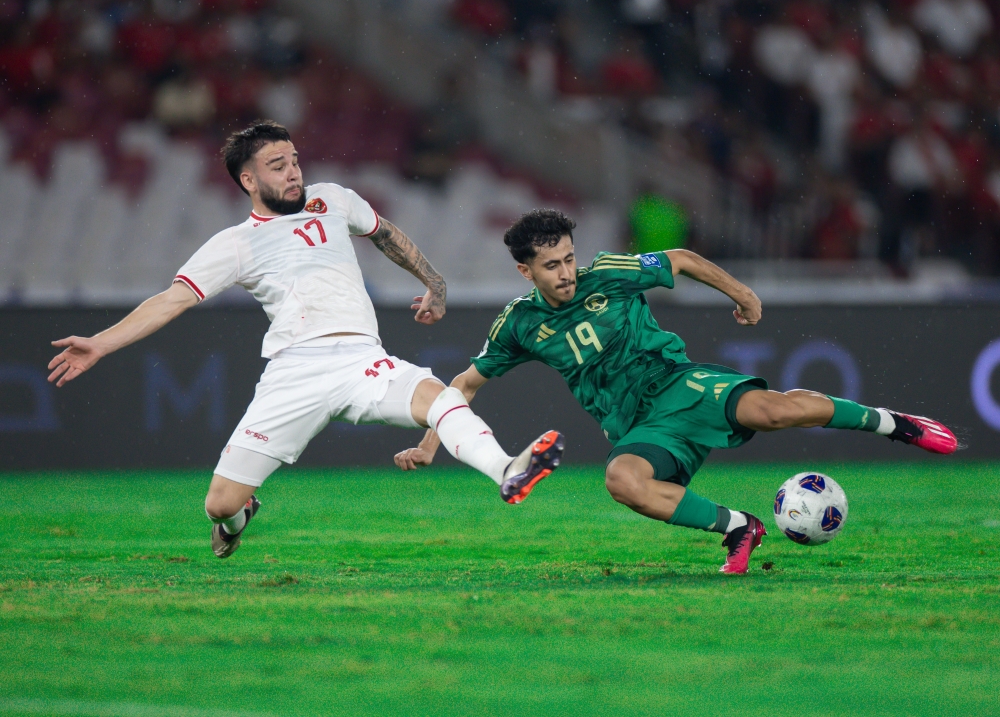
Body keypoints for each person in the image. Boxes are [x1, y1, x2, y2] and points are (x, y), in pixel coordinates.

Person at [46, 121, 563, 559]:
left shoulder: (332, 199)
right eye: (277, 165)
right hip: (293, 372)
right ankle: (240, 517)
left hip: (360, 358)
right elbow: (171, 300)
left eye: (294, 160)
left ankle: (506, 469)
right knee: (220, 504)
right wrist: (101, 343)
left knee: (440, 397)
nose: (293, 171)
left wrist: (434, 282)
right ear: (249, 180)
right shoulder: (236, 244)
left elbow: (384, 233)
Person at [394, 209, 958, 574]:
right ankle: (739, 527)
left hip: (677, 383)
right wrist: (428, 444)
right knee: (622, 481)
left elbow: (682, 260)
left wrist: (743, 294)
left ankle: (894, 423)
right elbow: (463, 385)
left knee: (772, 411)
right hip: (639, 427)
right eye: (551, 266)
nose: (565, 273)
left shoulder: (608, 273)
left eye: (568, 258)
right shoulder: (519, 324)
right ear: (526, 273)